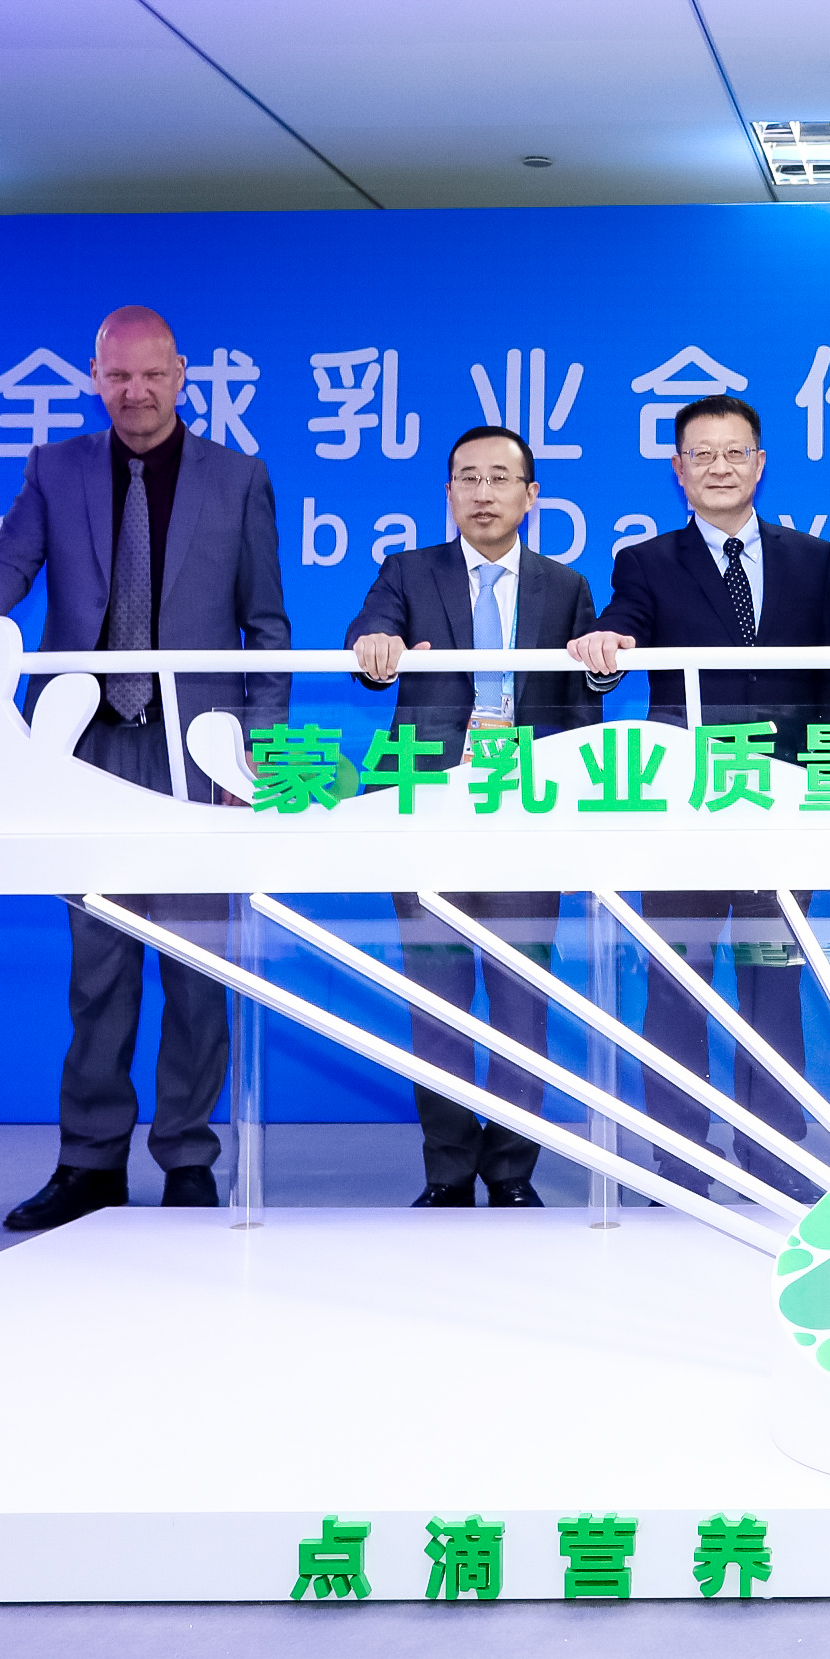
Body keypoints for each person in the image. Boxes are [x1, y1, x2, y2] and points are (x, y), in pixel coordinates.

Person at [0, 306, 290, 1230]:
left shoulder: (239, 477)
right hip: (85, 746)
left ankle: (188, 1156)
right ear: (95, 378)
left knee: (200, 969)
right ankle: (89, 1160)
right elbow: (10, 557)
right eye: (118, 376)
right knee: (98, 968)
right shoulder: (57, 468)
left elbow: (267, 625)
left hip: (199, 750)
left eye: (152, 375)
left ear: (182, 375)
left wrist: (258, 750)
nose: (135, 392)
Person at [567, 394, 830, 1197]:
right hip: (685, 806)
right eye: (702, 454)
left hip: (785, 802)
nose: (719, 467)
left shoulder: (813, 558)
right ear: (678, 470)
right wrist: (606, 646)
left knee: (775, 983)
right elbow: (622, 626)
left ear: (760, 464)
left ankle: (776, 1151)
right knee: (677, 981)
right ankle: (679, 1152)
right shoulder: (646, 561)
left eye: (734, 453)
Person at [347, 424, 601, 1208]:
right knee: (438, 1000)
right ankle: (449, 1169)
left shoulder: (565, 585)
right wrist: (376, 644)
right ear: (449, 492)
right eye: (468, 477)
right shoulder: (408, 570)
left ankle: (513, 1168)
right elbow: (366, 634)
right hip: (430, 808)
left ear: (531, 494)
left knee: (524, 999)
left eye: (500, 477)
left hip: (528, 810)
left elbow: (582, 708)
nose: (483, 493)